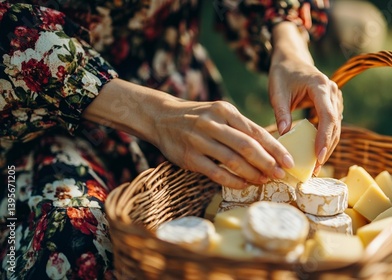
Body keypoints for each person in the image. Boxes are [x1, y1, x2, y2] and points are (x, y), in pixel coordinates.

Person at [0, 0, 343, 278]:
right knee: (74, 247)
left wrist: (291, 48)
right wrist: (157, 115)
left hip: (188, 107)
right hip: (44, 120)